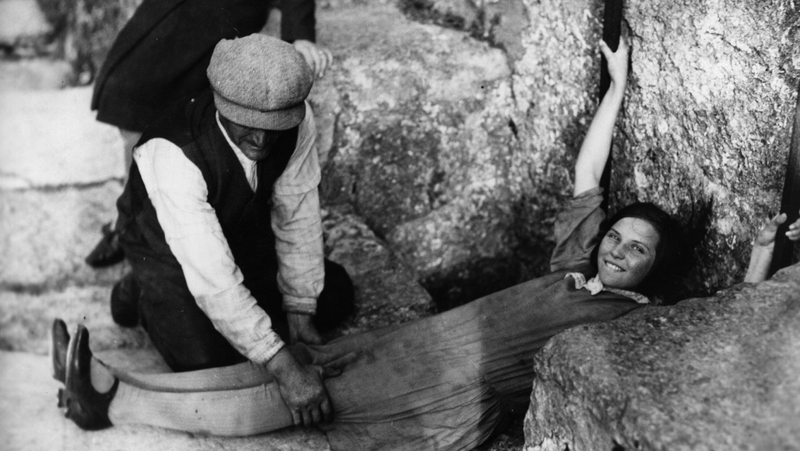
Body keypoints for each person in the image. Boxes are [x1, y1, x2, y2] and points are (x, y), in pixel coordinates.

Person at [51, 36, 800, 450]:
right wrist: (617, 87)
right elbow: (588, 174)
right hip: (197, 251)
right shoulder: (575, 263)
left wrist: (765, 251)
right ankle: (131, 344)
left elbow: (730, 315)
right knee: (264, 355)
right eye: (618, 235)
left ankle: (110, 403)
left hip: (444, 374)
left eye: (637, 250)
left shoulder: (641, 318)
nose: (619, 249)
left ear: (654, 275)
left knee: (305, 389)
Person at [85, 0, 334, 267]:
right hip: (165, 13)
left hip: (216, 17)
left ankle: (143, 230)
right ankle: (131, 223)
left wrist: (299, 34)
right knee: (128, 97)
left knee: (190, 124)